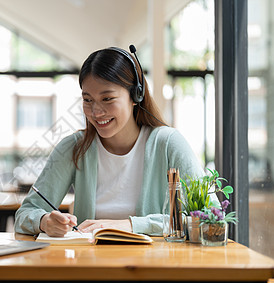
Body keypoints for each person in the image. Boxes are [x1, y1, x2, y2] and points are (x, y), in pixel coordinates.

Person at [14, 46, 205, 237]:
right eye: (88, 100)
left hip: (153, 264)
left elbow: (208, 218)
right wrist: (44, 221)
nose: (96, 112)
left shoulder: (168, 144)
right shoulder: (74, 147)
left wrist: (132, 225)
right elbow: (25, 214)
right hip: (92, 263)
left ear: (135, 96)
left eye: (107, 98)